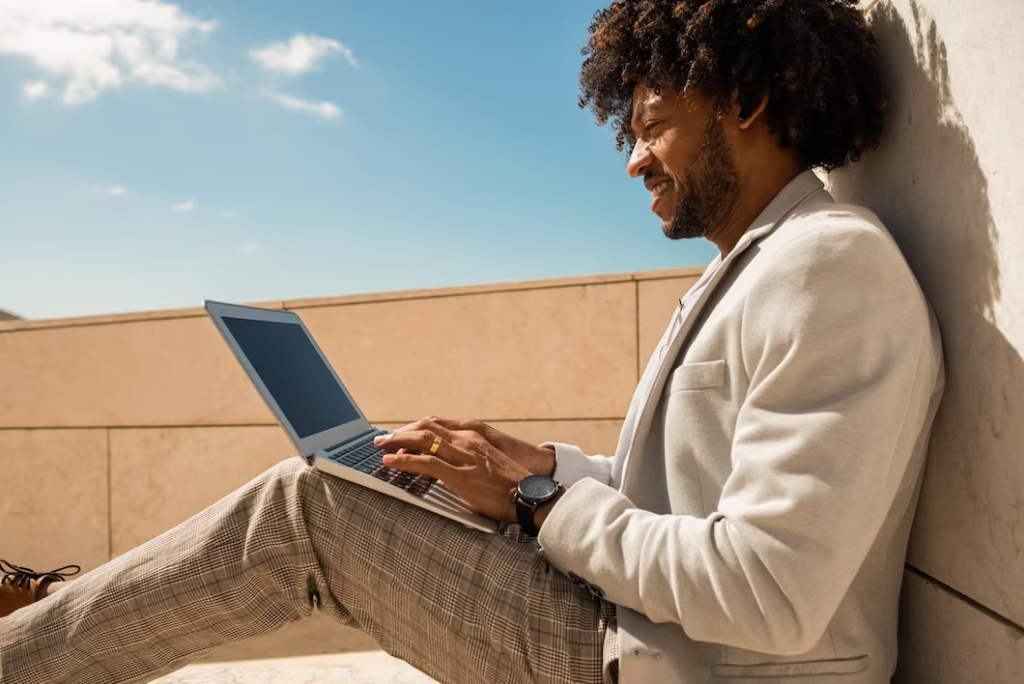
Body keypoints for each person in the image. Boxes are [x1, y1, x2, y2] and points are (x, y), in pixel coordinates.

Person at [0, 1, 944, 682]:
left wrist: (535, 504)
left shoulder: (830, 269)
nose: (633, 157)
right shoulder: (761, 264)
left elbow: (772, 592)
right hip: (650, 632)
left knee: (307, 513)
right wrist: (542, 465)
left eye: (652, 123)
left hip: (672, 663)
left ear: (747, 100)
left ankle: (26, 646)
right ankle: (44, 625)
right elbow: (696, 494)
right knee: (346, 489)